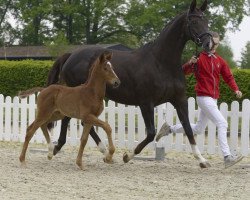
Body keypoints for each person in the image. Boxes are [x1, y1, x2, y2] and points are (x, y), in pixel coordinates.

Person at [156, 32, 243, 169]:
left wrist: (235, 89)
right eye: (212, 42)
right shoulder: (199, 58)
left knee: (198, 128)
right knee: (222, 124)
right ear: (207, 42)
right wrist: (190, 63)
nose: (214, 45)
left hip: (213, 99)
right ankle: (227, 157)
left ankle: (169, 129)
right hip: (204, 97)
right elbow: (182, 71)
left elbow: (228, 77)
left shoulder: (219, 60)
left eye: (217, 43)